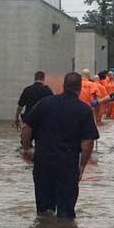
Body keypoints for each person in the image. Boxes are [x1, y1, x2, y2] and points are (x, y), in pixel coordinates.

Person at [21, 72, 99, 219]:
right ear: (80, 88)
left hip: (42, 162)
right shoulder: (83, 110)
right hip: (67, 165)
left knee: (44, 212)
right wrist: (82, 166)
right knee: (66, 213)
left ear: (63, 86)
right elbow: (88, 142)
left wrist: (27, 149)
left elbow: (26, 127)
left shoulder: (45, 103)